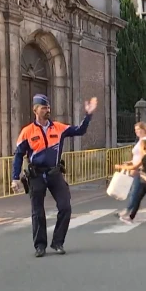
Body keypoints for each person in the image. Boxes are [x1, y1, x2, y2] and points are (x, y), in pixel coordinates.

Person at [11, 94, 97, 257]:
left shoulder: (58, 128)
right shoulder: (27, 132)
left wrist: (88, 115)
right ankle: (40, 246)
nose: (47, 110)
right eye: (44, 108)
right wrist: (15, 178)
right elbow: (18, 155)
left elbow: (80, 130)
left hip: (54, 173)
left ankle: (58, 242)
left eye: (49, 107)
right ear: (35, 110)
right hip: (36, 175)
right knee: (38, 212)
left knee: (65, 207)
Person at [119, 122, 146, 221]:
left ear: (145, 130)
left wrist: (136, 167)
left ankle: (127, 211)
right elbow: (138, 156)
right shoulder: (141, 141)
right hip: (141, 170)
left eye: (139, 129)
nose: (137, 131)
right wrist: (131, 162)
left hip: (142, 171)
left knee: (135, 192)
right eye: (135, 129)